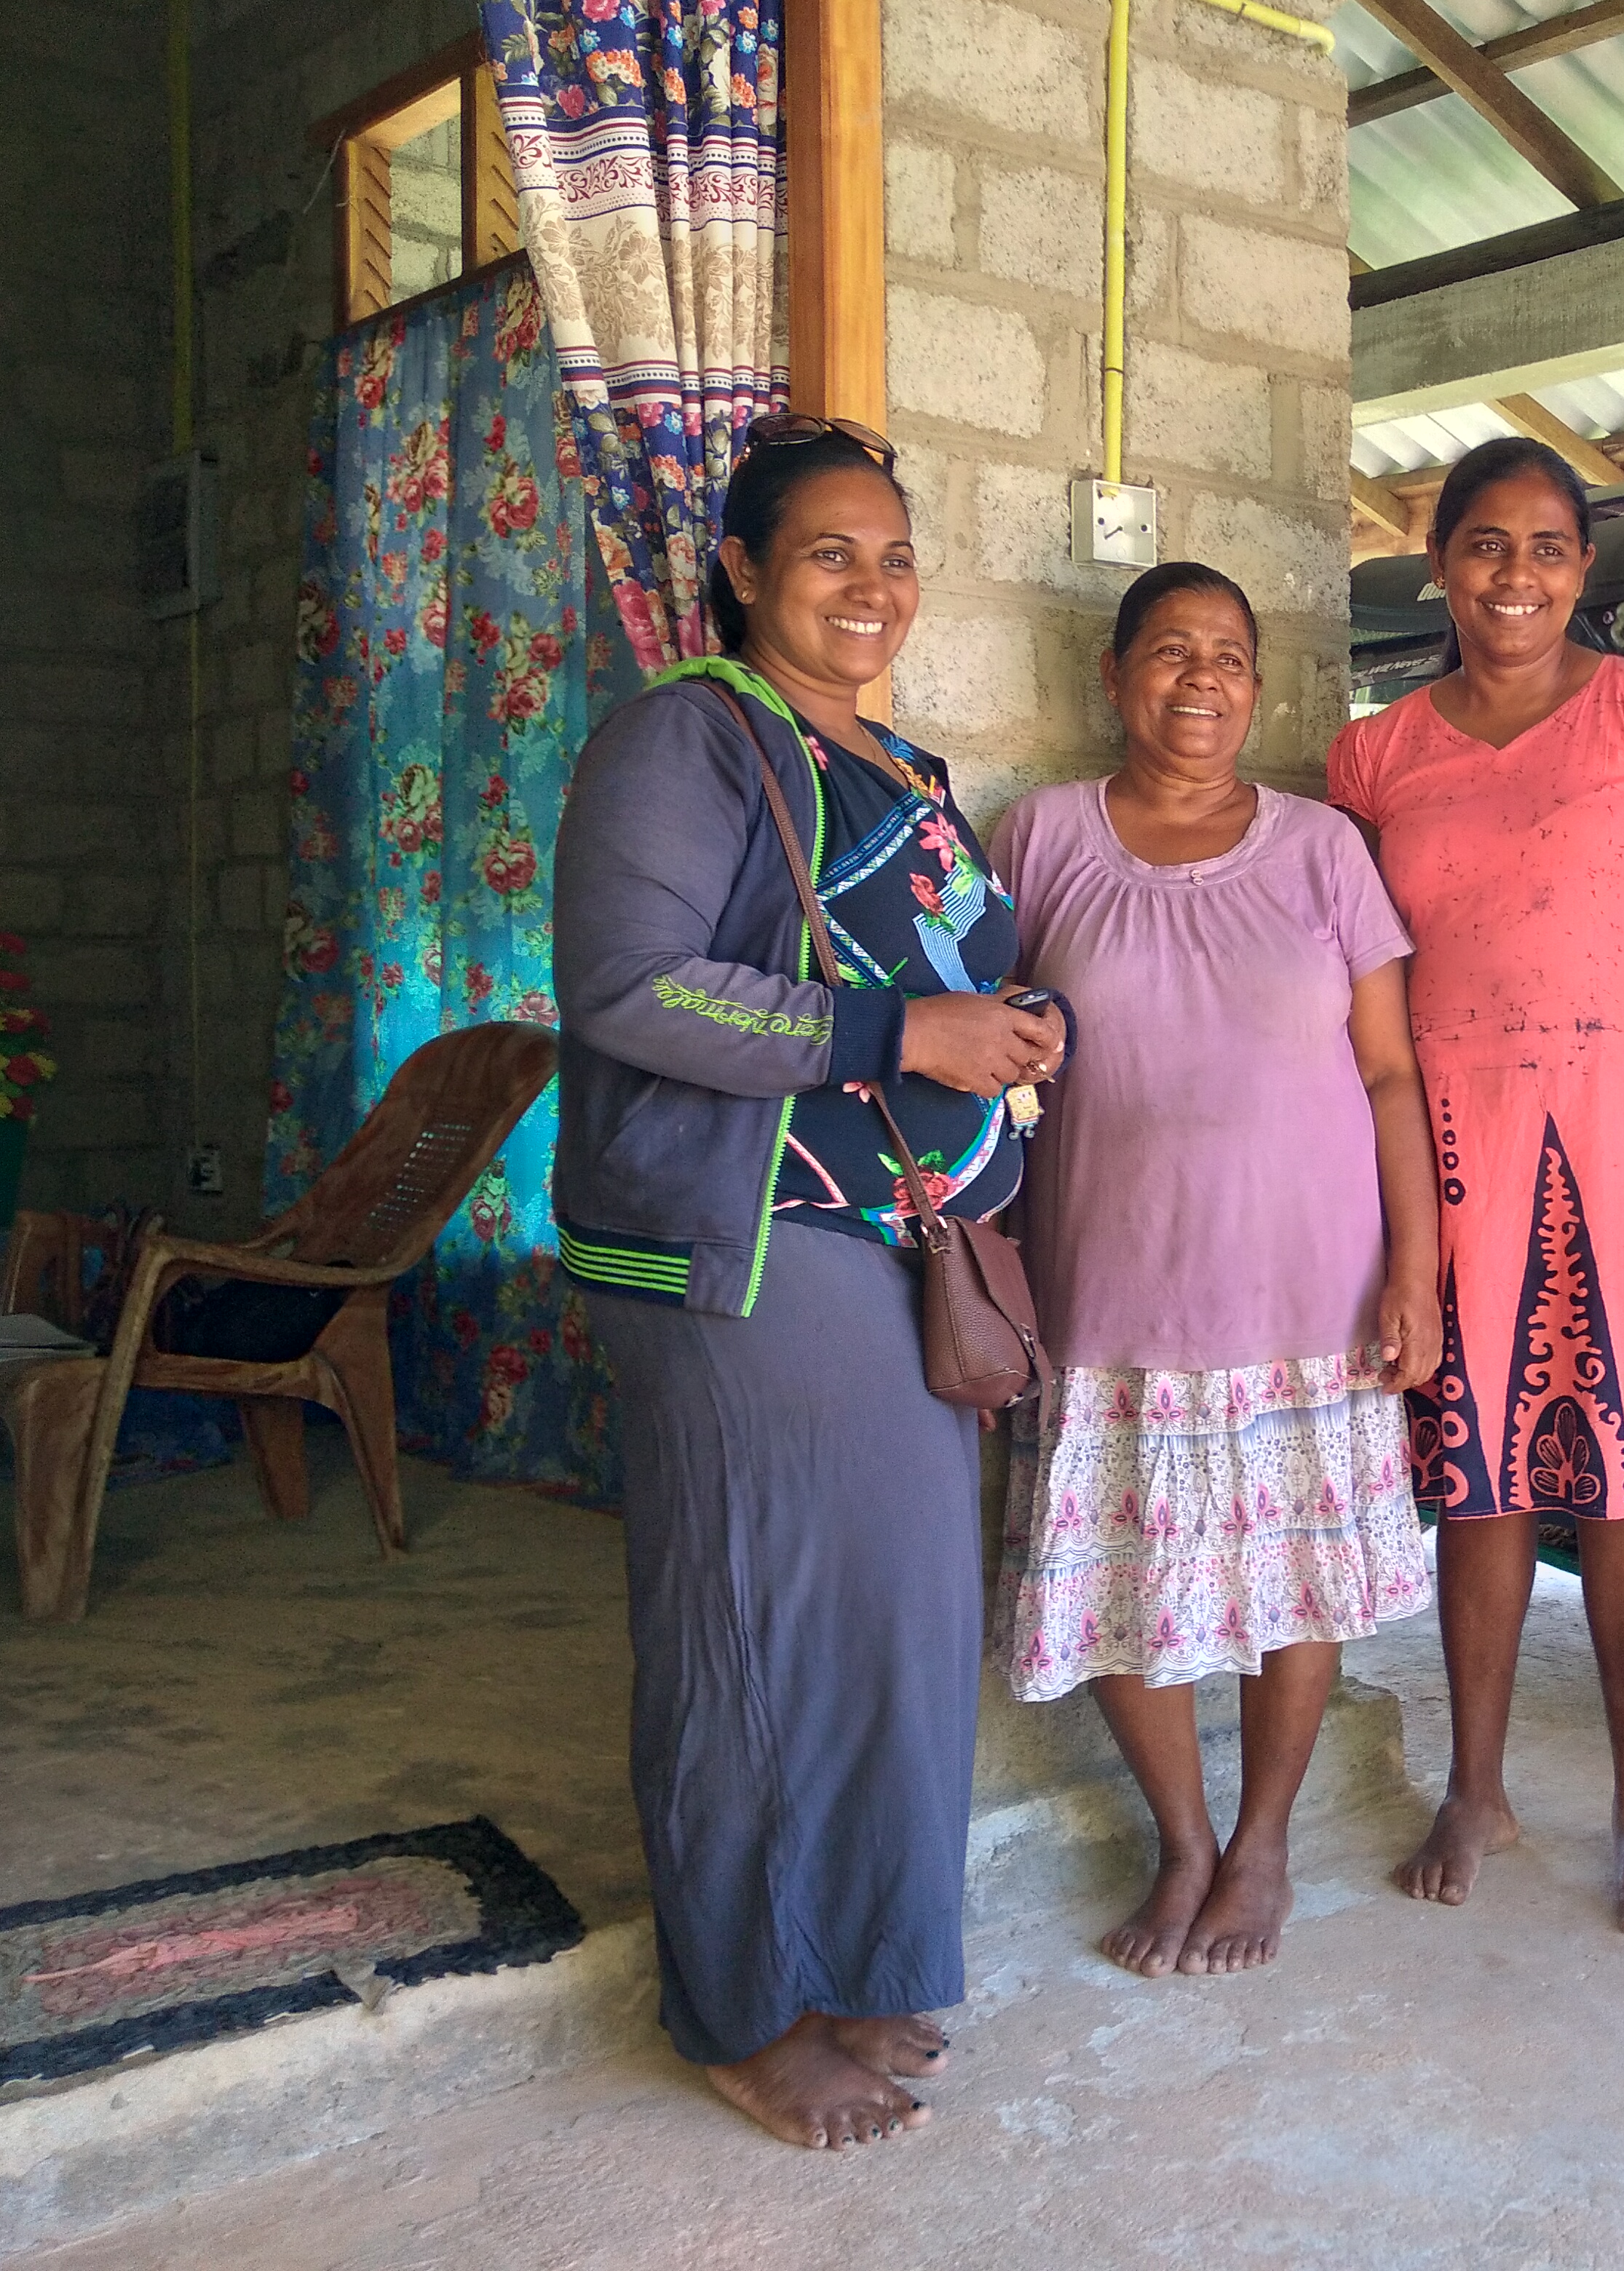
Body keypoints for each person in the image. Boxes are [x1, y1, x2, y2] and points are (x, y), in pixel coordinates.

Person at [552, 416, 1071, 2148]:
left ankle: (854, 1957)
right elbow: (628, 988)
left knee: (894, 1633)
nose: (872, 585)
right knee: (753, 1633)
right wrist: (892, 1030)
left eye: (896, 554)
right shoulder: (684, 738)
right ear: (747, 573)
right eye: (831, 553)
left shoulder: (900, 773)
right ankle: (741, 2005)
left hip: (892, 1252)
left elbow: (946, 961)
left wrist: (1010, 1025)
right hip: (747, 1246)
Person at [1325, 436, 1624, 1937]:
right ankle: (1476, 1786)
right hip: (1460, 1156)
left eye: (1544, 547)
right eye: (1482, 545)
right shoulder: (1375, 757)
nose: (1512, 575)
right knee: (1483, 1479)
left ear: (1581, 569)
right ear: (1439, 563)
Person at [996, 562, 1441, 1976]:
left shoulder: (1321, 851)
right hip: (1112, 1291)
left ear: (1260, 685)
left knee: (1294, 1580)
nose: (1204, 680)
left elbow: (1386, 1071)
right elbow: (984, 1054)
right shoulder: (1040, 840)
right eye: (1172, 651)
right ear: (1116, 676)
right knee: (1129, 1581)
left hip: (1310, 1291)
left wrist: (1415, 1269)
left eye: (1231, 657)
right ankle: (1182, 1841)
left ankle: (1261, 1847)